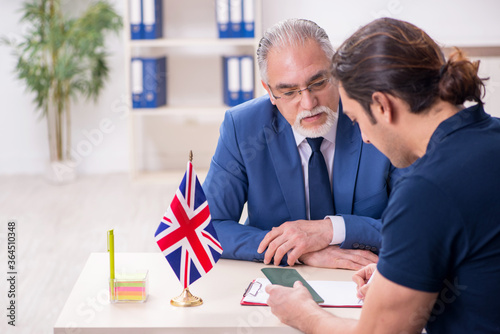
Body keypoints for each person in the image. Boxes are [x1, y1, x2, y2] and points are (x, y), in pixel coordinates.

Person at [265, 17, 500, 334]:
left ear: (381, 105)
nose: (363, 138)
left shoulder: (425, 190)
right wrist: (404, 269)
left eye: (357, 119)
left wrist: (304, 314)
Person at [203, 18, 398, 268]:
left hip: (367, 276)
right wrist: (299, 250)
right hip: (282, 279)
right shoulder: (242, 127)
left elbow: (419, 225)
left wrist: (331, 230)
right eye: (289, 91)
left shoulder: (377, 117)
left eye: (318, 83)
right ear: (270, 92)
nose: (308, 103)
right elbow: (208, 227)